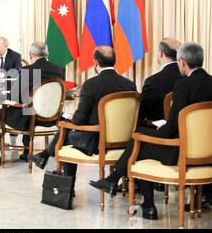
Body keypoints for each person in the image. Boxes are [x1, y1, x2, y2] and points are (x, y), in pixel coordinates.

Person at [90, 42, 212, 220]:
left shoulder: (183, 85)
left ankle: (144, 203)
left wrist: (158, 129)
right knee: (143, 137)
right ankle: (114, 181)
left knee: (140, 139)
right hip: (206, 152)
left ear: (183, 62)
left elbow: (169, 131)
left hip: (181, 152)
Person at [31, 46, 137, 171]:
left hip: (96, 140)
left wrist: (72, 119)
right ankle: (43, 156)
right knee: (67, 128)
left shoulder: (91, 85)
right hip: (125, 141)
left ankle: (63, 181)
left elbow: (79, 120)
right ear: (114, 60)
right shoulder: (130, 84)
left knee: (65, 130)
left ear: (95, 62)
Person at [0, 42, 63, 166]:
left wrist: (5, 99)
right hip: (52, 117)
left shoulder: (27, 70)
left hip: (30, 118)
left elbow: (15, 97)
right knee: (28, 107)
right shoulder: (59, 69)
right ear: (47, 54)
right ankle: (26, 152)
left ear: (31, 55)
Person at [139, 38, 183, 123]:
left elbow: (141, 114)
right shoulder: (191, 78)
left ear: (161, 53)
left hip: (160, 132)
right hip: (187, 132)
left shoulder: (152, 82)